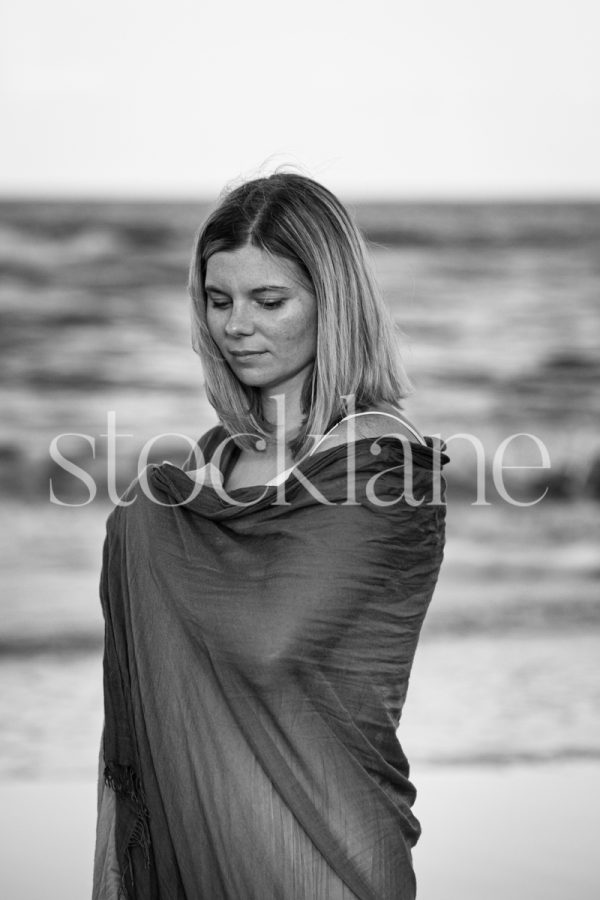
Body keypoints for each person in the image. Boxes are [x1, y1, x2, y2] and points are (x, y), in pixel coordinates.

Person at [93, 172, 450, 900]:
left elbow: (268, 635)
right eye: (218, 301)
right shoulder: (211, 461)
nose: (236, 327)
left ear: (334, 300)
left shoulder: (383, 463)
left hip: (330, 849)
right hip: (198, 843)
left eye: (269, 300)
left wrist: (149, 518)